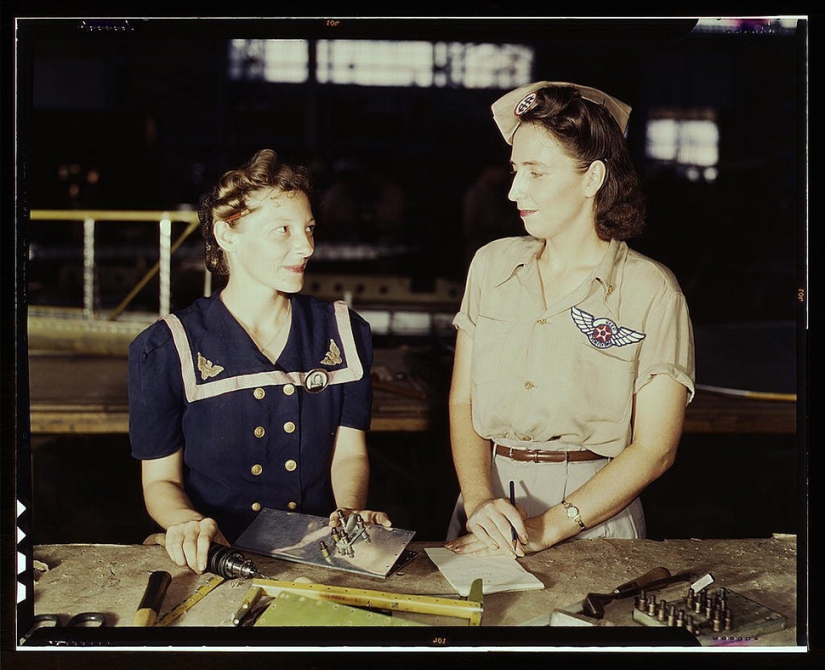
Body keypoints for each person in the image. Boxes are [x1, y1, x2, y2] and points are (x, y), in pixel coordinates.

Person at [444, 81, 695, 557]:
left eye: (536, 173)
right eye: (516, 170)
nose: (516, 189)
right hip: (487, 510)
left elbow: (655, 449)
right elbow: (463, 401)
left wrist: (548, 528)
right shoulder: (491, 266)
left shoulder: (650, 291)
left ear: (592, 178)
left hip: (593, 521)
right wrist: (478, 499)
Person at [128, 148, 391, 574]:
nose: (305, 245)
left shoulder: (343, 332)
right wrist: (189, 525)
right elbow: (161, 481)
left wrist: (349, 515)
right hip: (218, 554)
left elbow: (349, 455)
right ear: (228, 235)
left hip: (316, 554)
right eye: (281, 230)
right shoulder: (166, 347)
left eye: (308, 228)